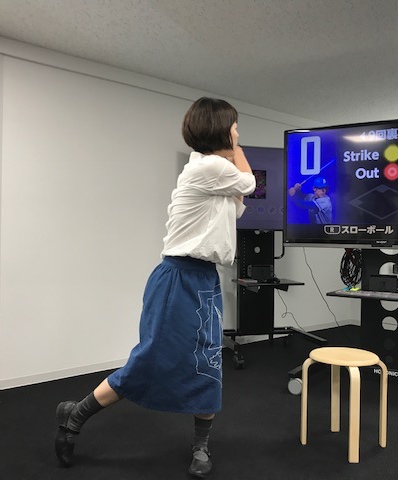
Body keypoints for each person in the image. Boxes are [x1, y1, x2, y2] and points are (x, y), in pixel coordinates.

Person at [54, 97, 256, 478]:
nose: (237, 133)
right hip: (177, 278)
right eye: (234, 128)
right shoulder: (209, 167)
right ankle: (74, 415)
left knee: (208, 363)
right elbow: (249, 182)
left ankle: (201, 445)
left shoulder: (214, 174)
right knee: (149, 360)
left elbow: (240, 201)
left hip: (205, 278)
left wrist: (232, 156)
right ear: (219, 131)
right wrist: (238, 151)